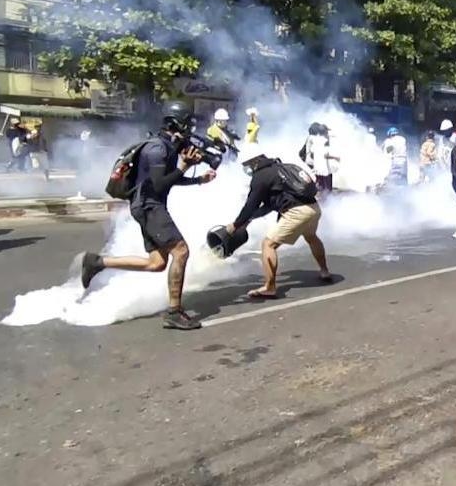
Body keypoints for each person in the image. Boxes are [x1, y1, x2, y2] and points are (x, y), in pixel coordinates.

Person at [78, 101, 216, 330]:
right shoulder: (157, 149)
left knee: (157, 263)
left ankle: (97, 263)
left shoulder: (167, 148)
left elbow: (168, 178)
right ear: (174, 123)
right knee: (181, 251)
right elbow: (160, 184)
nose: (189, 130)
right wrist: (184, 165)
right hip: (149, 206)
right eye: (185, 125)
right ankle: (174, 312)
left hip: (149, 205)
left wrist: (198, 179)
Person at [224, 146, 332, 296]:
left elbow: (250, 205)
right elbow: (269, 206)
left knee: (268, 245)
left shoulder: (260, 176)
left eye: (247, 165)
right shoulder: (280, 168)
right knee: (311, 237)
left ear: (254, 161)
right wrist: (248, 220)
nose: (247, 169)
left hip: (297, 212)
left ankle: (270, 287)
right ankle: (324, 271)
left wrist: (235, 225)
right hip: (313, 208)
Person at [310, 124, 338, 194]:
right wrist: (336, 158)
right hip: (325, 170)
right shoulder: (326, 141)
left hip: (317, 168)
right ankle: (328, 202)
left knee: (320, 187)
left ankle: (320, 200)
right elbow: (326, 155)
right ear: (325, 132)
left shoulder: (315, 139)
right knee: (327, 190)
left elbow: (312, 153)